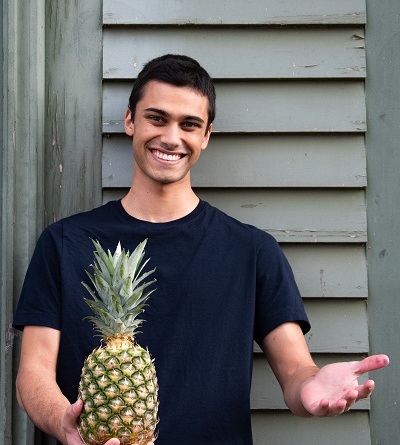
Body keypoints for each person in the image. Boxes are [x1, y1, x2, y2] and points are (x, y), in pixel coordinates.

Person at [13, 54, 389, 445]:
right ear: (130, 121)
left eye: (189, 124)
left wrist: (313, 388)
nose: (171, 137)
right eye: (157, 118)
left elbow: (296, 371)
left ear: (206, 135)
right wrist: (65, 425)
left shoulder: (252, 251)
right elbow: (33, 374)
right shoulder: (64, 242)